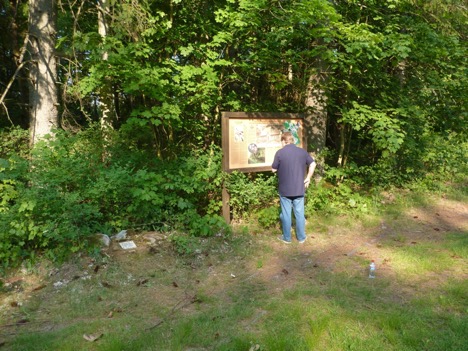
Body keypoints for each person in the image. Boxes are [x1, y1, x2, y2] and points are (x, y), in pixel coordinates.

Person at [272, 131, 316, 244]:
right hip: (299, 188)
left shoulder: (280, 153)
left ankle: (287, 238)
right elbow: (313, 164)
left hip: (285, 190)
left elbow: (274, 169)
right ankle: (301, 238)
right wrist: (309, 177)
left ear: (283, 141)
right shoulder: (302, 152)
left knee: (286, 214)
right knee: (299, 213)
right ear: (292, 140)